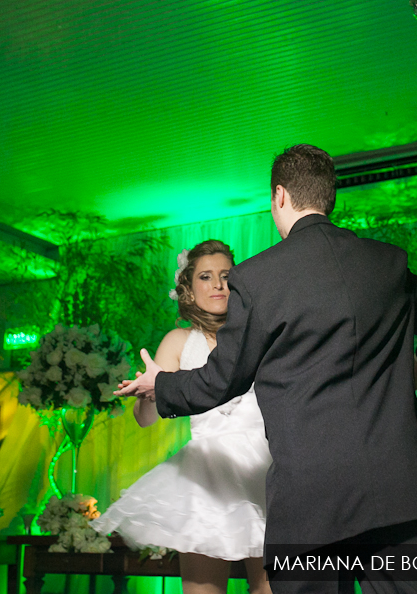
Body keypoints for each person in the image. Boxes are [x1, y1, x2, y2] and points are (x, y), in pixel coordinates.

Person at [117, 145, 417, 594]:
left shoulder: (259, 278)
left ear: (280, 196)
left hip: (310, 503)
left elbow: (222, 378)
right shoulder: (388, 263)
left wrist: (160, 384)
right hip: (398, 493)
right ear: (329, 195)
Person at [92, 239, 273, 594]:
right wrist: (148, 391)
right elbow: (145, 419)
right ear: (188, 288)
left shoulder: (260, 336)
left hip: (267, 474)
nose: (218, 284)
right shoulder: (178, 341)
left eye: (226, 275)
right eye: (205, 276)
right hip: (206, 479)